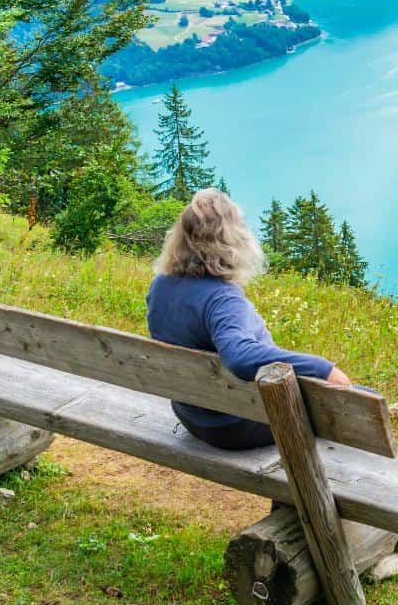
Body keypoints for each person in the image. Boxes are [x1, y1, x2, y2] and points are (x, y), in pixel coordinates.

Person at [146, 188, 352, 449]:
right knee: (355, 402)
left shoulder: (161, 284)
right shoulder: (222, 298)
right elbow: (240, 356)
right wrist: (322, 368)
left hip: (191, 413)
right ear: (230, 239)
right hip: (235, 424)